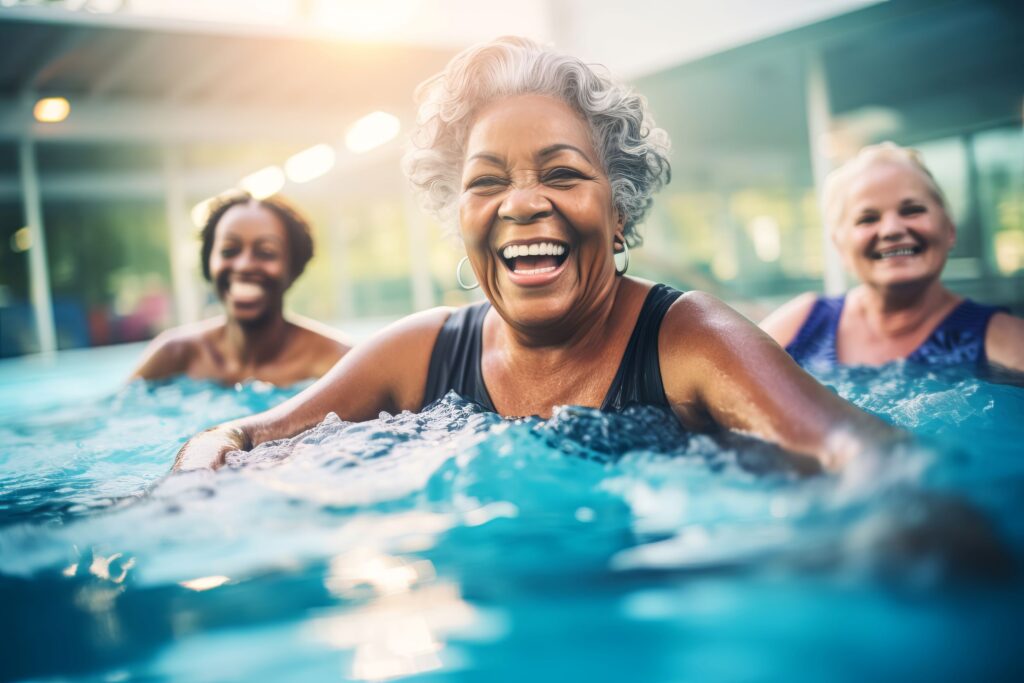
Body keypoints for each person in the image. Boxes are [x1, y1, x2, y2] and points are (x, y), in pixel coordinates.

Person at [173, 37, 898, 472]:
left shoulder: (691, 342)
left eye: (561, 173)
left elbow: (859, 455)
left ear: (619, 210)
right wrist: (200, 473)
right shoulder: (419, 353)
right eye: (488, 181)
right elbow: (239, 437)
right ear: (460, 219)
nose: (522, 203)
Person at [761, 143, 1024, 372]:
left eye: (912, 210)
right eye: (868, 218)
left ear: (949, 230)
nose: (892, 230)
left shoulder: (1004, 339)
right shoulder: (804, 324)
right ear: (840, 247)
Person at [132, 192, 351, 385]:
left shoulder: (337, 362)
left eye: (266, 252)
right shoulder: (175, 355)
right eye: (229, 251)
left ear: (293, 268)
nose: (244, 265)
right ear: (209, 262)